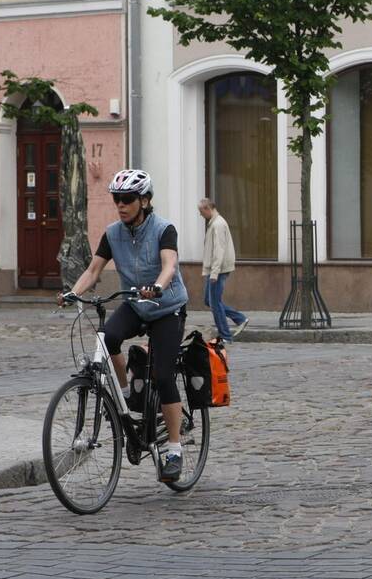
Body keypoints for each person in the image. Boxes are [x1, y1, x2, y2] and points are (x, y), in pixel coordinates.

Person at [60, 169, 190, 483]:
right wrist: (73, 292)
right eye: (117, 199)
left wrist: (157, 286)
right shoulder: (113, 233)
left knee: (162, 375)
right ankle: (126, 393)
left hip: (166, 307)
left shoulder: (163, 229)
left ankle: (174, 450)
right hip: (134, 304)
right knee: (107, 338)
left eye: (128, 199)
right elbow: (93, 270)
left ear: (144, 201)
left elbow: (170, 264)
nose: (121, 205)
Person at [198, 198, 248, 344]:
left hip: (218, 269)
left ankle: (226, 336)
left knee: (214, 303)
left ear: (208, 208)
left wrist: (214, 272)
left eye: (201, 212)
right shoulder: (215, 223)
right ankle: (239, 318)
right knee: (210, 300)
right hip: (216, 268)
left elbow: (219, 250)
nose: (201, 215)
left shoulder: (218, 225)